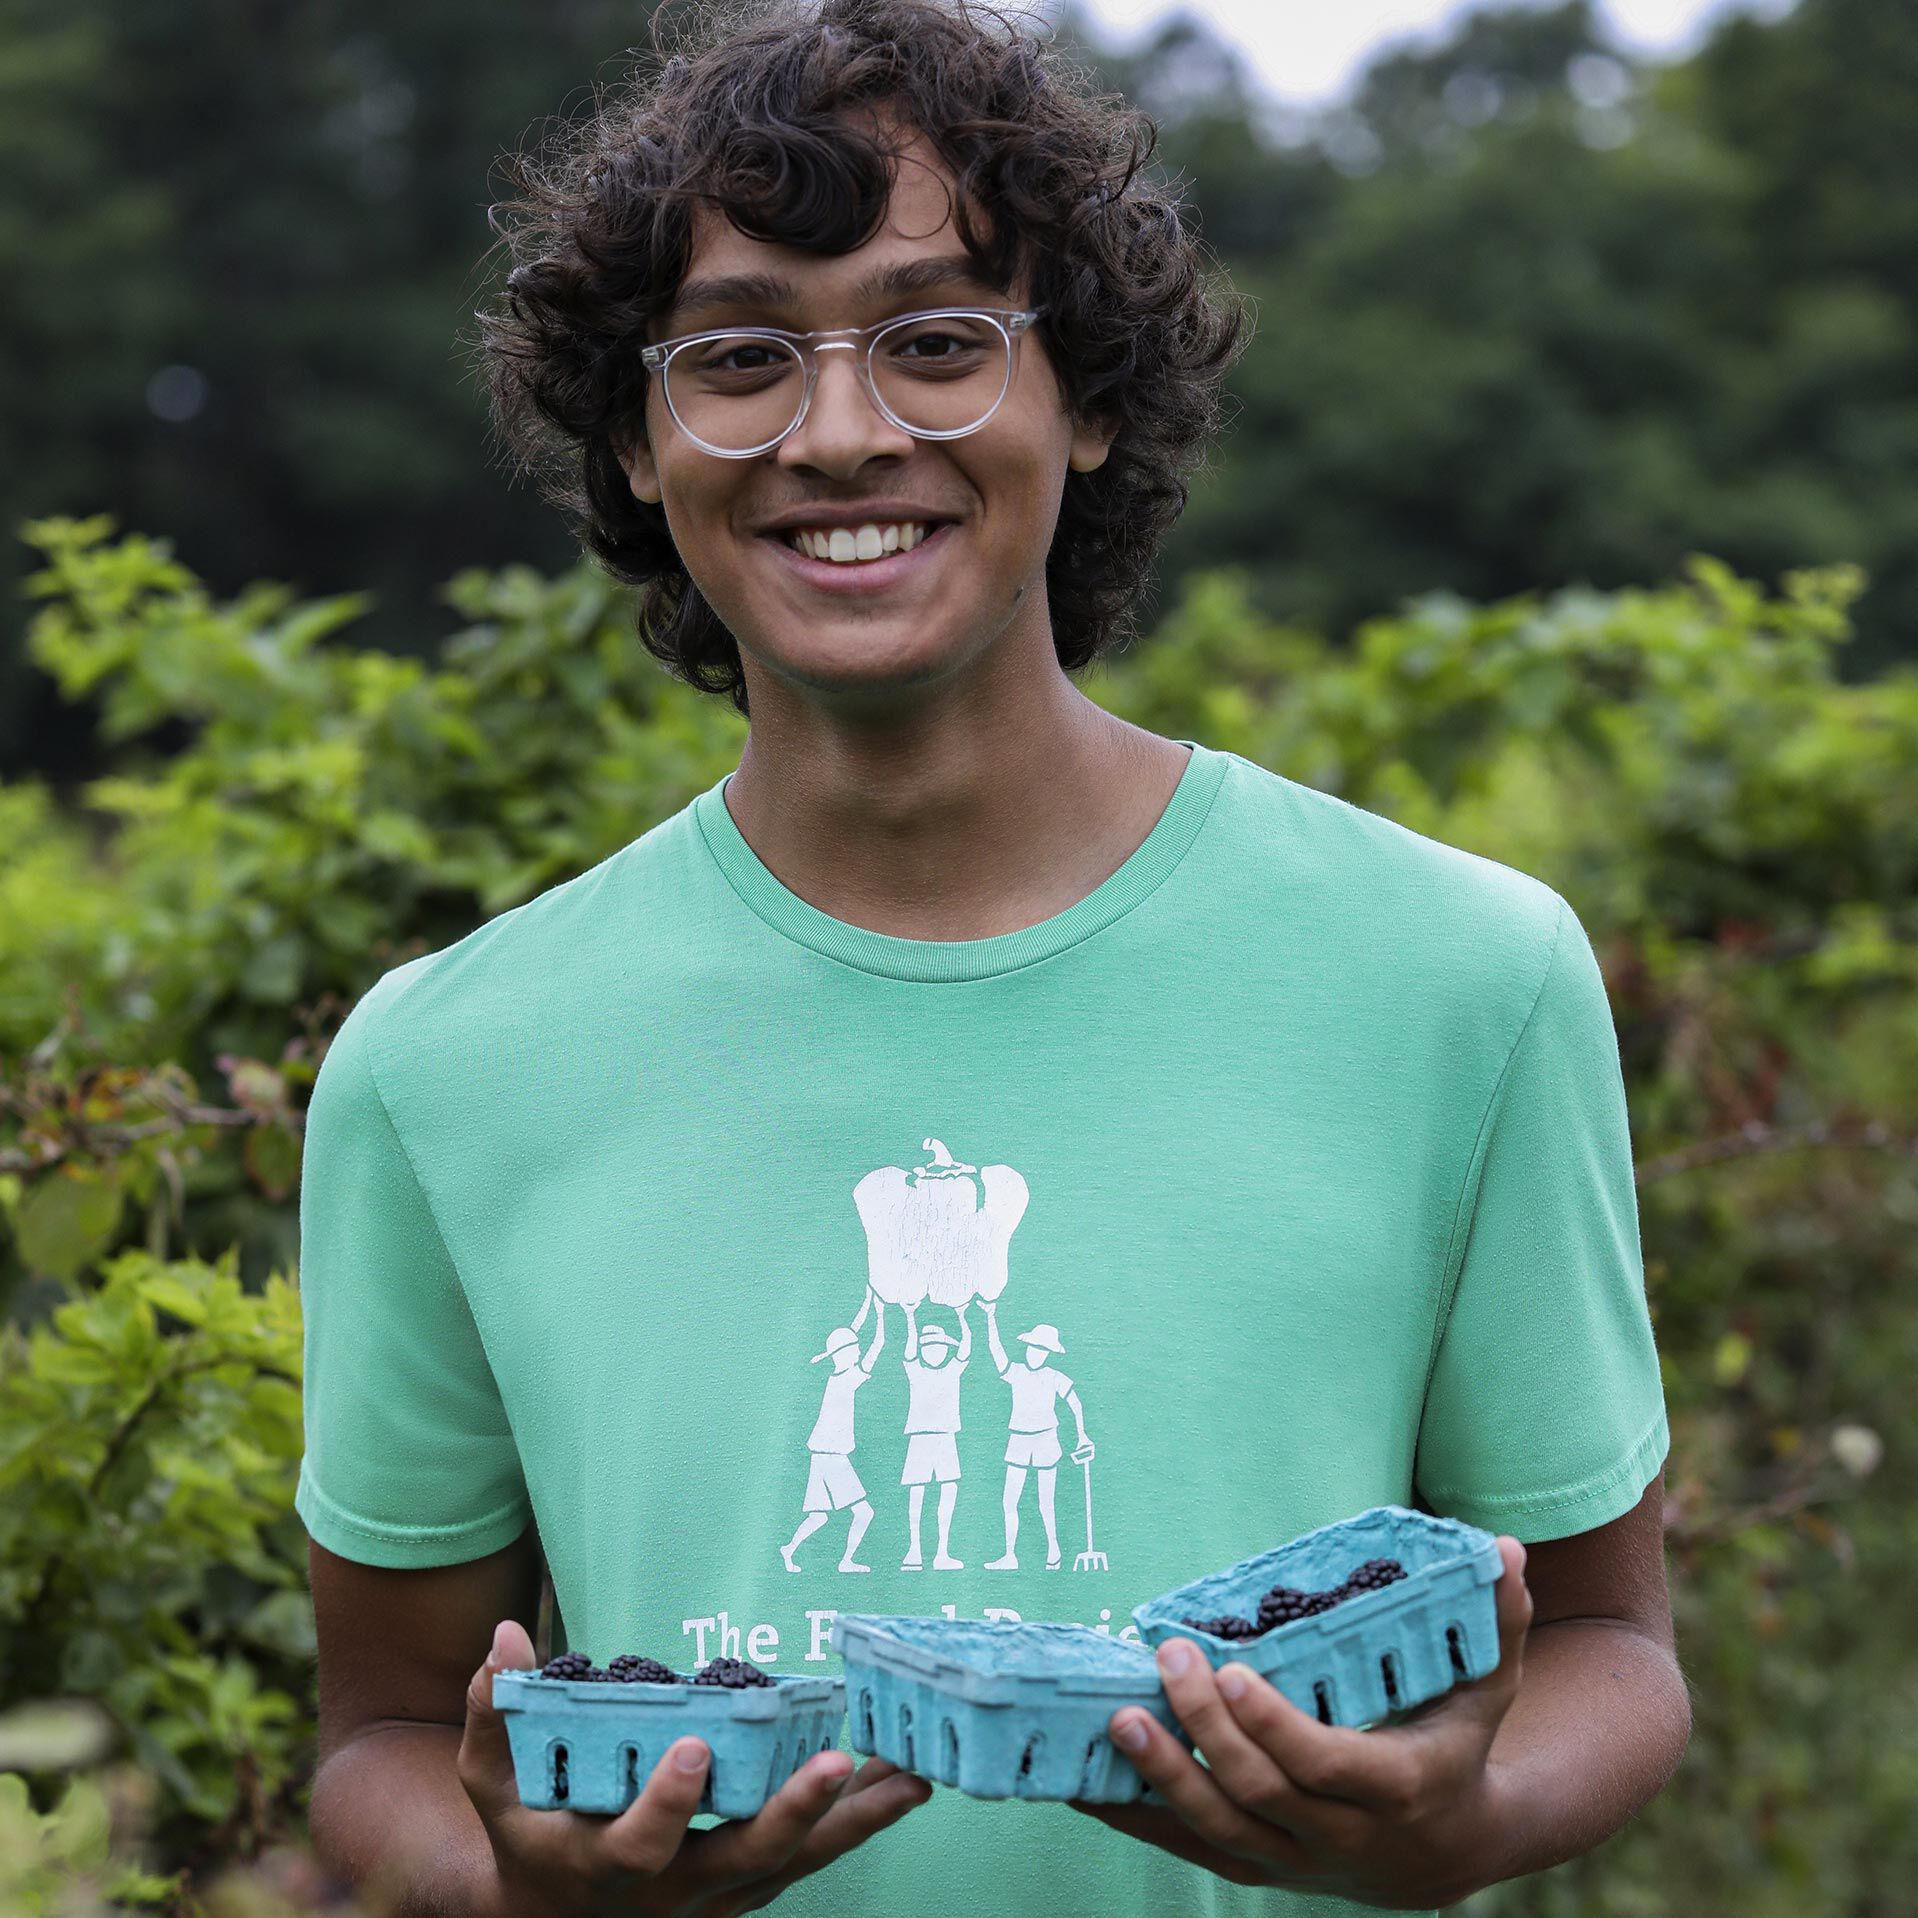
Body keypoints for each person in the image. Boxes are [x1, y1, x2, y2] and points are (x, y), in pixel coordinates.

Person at [296, 1, 1690, 1915]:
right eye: (736, 357)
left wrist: (1463, 1821)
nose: (841, 431)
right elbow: (378, 1730)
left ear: (1088, 399)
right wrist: (526, 1891)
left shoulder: (1458, 976)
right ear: (637, 436)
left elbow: (1613, 1643)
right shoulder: (445, 1067)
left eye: (939, 341)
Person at [782, 1286, 886, 1573]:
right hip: (832, 1458)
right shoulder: (847, 1379)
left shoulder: (835, 1375)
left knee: (819, 1517)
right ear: (843, 1354)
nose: (858, 1350)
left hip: (822, 1456)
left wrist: (866, 1301)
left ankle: (788, 1550)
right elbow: (877, 1344)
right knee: (864, 1512)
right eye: (854, 1349)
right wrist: (881, 1313)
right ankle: (846, 1561)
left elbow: (850, 1330)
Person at [980, 1303, 1089, 1571]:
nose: (1035, 1353)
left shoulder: (1054, 1377)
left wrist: (1082, 1434)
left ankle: (1053, 1550)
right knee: (1009, 1500)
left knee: (1045, 1502)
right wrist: (990, 1317)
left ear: (1048, 1353)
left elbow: (1075, 1403)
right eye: (1032, 1347)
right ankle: (1009, 1555)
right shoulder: (1016, 1372)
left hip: (1046, 1440)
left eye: (1041, 1350)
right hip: (1018, 1439)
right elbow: (997, 1353)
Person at [899, 1300, 972, 1570]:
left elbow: (965, 1349)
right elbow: (908, 1352)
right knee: (917, 1494)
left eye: (940, 1346)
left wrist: (962, 1315)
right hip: (919, 1438)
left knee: (948, 1490)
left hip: (946, 1438)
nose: (935, 1351)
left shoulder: (953, 1369)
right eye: (929, 1346)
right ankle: (914, 1551)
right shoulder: (915, 1370)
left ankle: (942, 1552)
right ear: (922, 1349)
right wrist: (909, 1316)